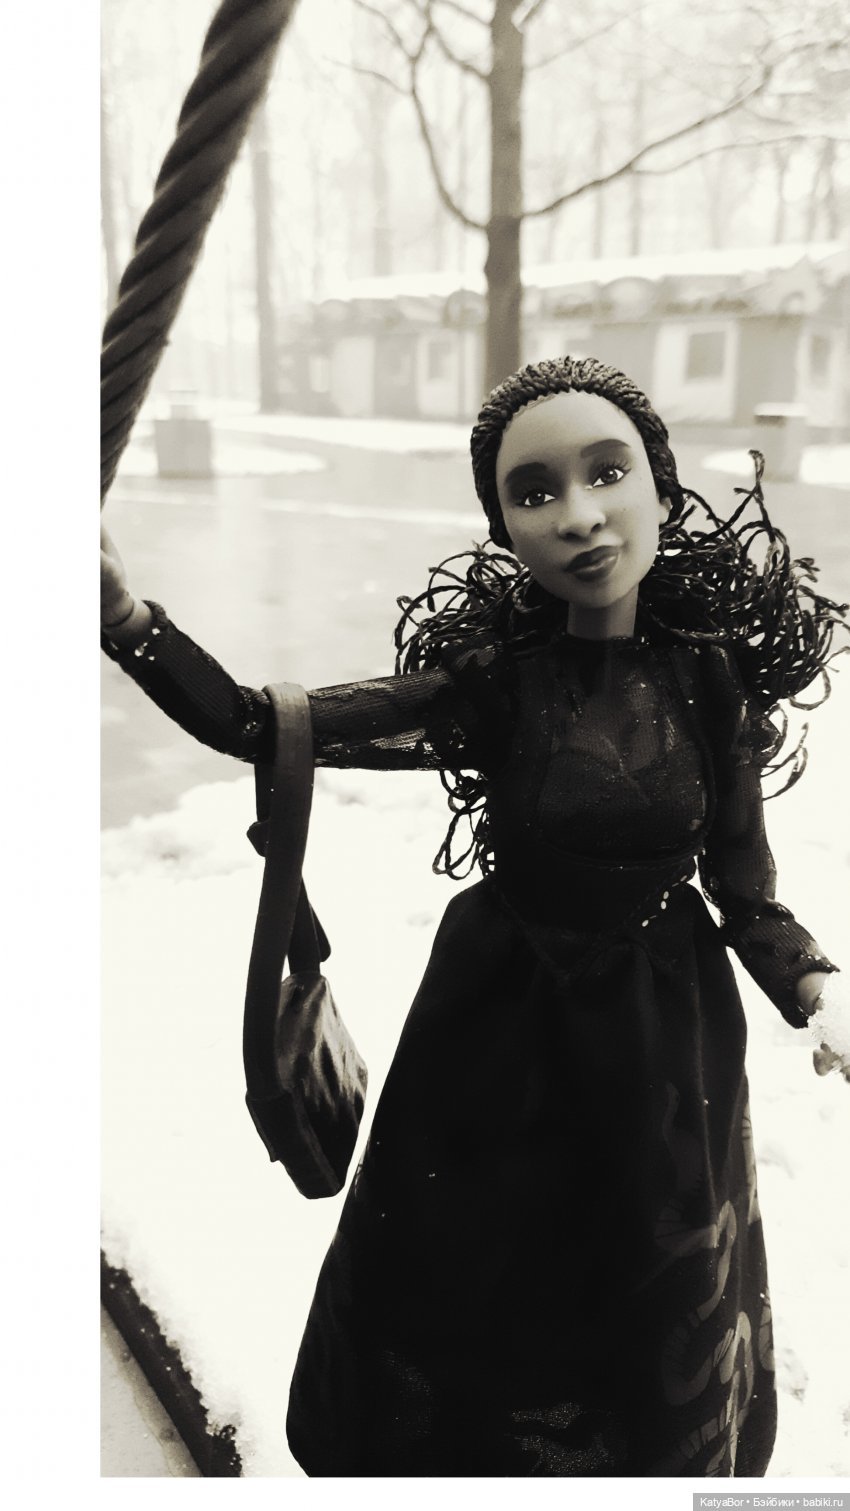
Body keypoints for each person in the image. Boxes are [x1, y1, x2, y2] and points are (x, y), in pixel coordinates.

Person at [101, 355, 849, 1478]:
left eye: (608, 472)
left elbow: (745, 891)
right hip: (498, 1032)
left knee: (641, 1281)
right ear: (503, 529)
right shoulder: (496, 683)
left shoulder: (710, 684)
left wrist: (813, 984)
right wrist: (128, 621)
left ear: (662, 485)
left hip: (661, 1045)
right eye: (534, 491)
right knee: (473, 1274)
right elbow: (263, 723)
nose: (579, 514)